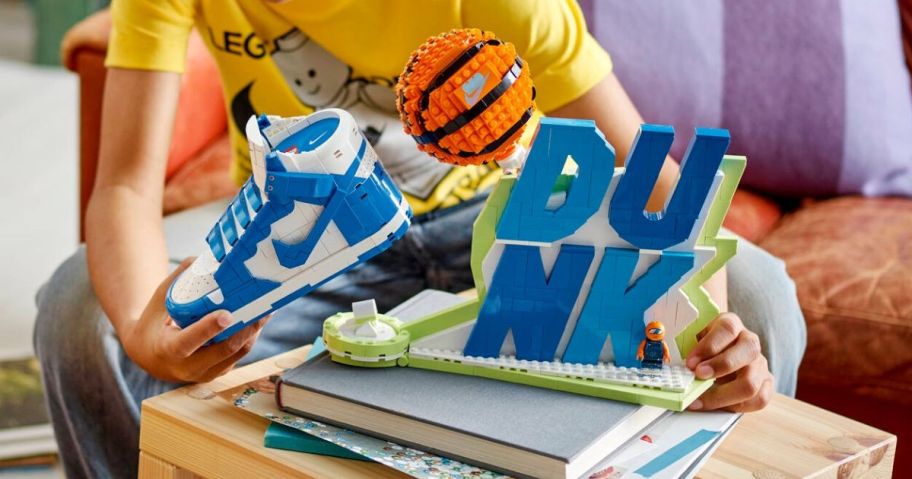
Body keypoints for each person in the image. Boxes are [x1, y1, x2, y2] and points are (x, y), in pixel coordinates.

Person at [34, 1, 806, 477]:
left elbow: (651, 175)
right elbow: (124, 186)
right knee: (80, 308)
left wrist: (711, 338)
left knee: (760, 292)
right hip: (308, 233)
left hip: (496, 218)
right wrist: (141, 329)